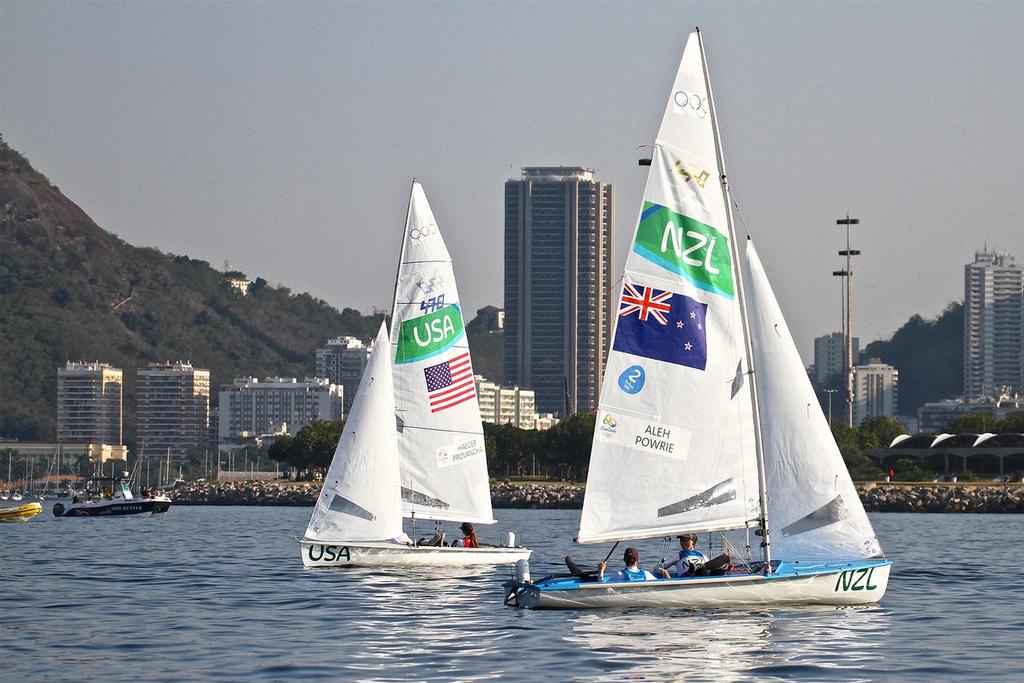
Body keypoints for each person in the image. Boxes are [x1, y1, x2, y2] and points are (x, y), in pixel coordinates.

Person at [598, 546, 669, 581]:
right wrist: (667, 577)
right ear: (638, 560)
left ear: (624, 560)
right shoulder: (646, 574)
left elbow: (601, 585)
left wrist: (601, 571)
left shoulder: (619, 575)